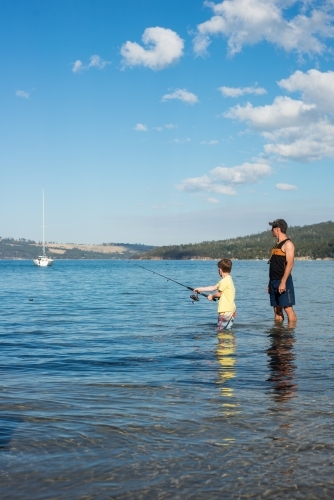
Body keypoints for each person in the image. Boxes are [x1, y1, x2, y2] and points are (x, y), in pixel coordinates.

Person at [194, 258, 236, 331]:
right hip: (231, 310)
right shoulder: (228, 279)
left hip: (225, 311)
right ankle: (230, 342)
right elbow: (213, 287)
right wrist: (200, 289)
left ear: (220, 269)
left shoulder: (224, 281)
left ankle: (223, 342)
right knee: (227, 330)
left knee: (221, 331)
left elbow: (219, 294)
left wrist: (212, 296)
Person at [268, 219, 296, 324]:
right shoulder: (276, 245)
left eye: (273, 228)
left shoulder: (288, 244)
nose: (271, 230)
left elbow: (290, 263)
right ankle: (277, 337)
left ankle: (290, 336)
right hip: (273, 281)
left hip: (283, 280)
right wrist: (269, 284)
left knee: (287, 308)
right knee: (276, 310)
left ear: (278, 229)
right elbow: (274, 265)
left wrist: (283, 282)